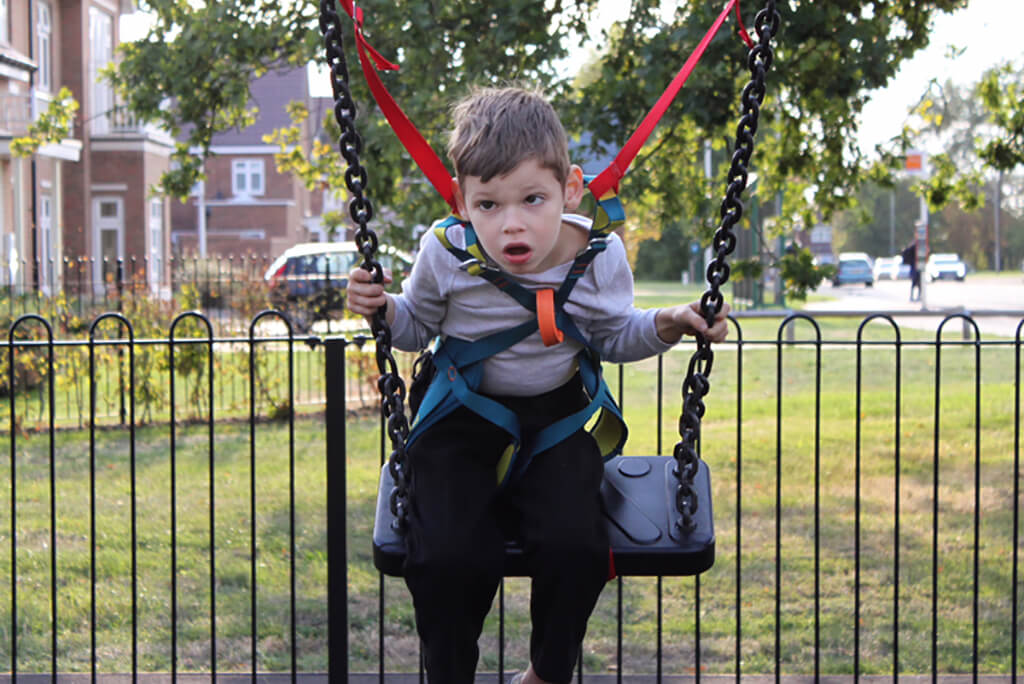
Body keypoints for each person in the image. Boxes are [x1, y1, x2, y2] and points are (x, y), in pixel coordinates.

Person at [347, 85, 729, 684]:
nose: (513, 224)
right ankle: (450, 674)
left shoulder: (600, 256)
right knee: (447, 555)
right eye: (490, 205)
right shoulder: (446, 253)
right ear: (461, 202)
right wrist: (381, 308)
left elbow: (613, 337)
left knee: (576, 549)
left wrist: (670, 323)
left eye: (532, 199)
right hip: (461, 418)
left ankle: (546, 673)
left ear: (570, 189)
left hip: (558, 420)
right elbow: (416, 326)